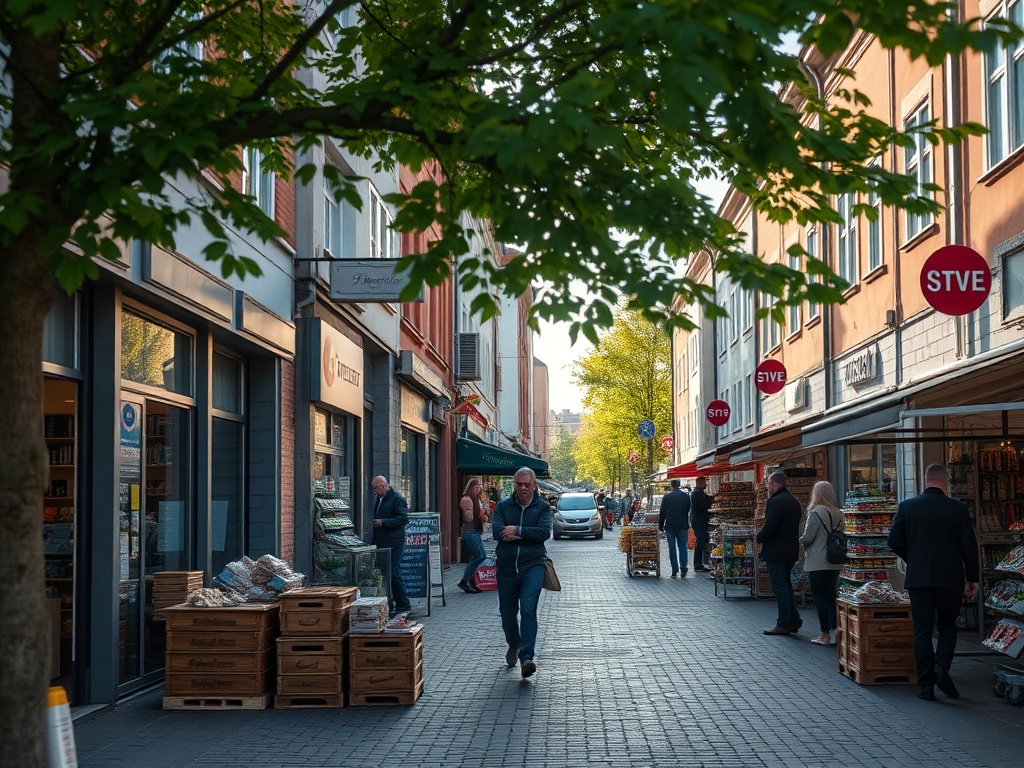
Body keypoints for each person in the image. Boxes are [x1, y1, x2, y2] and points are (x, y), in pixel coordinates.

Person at [888, 464, 979, 701]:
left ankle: (926, 685)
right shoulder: (958, 509)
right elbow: (969, 547)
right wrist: (973, 578)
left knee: (922, 630)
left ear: (925, 480)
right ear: (945, 482)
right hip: (950, 578)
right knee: (948, 625)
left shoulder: (907, 507)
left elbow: (894, 540)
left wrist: (913, 557)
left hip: (919, 577)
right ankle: (941, 668)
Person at [491, 467, 553, 679]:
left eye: (527, 484)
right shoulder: (502, 507)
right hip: (507, 568)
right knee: (507, 614)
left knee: (528, 610)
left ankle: (526, 657)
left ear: (534, 485)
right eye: (520, 484)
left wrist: (516, 531)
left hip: (532, 566)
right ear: (514, 485)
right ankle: (514, 644)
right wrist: (527, 534)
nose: (524, 488)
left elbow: (544, 533)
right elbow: (497, 532)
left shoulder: (543, 508)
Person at [756, 470, 803, 635]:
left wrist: (759, 537)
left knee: (780, 588)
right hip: (790, 550)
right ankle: (794, 619)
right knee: (786, 585)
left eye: (769, 483)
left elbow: (771, 527)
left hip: (776, 551)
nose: (768, 486)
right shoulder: (793, 501)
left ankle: (783, 623)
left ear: (776, 483)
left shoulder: (776, 502)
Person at [799, 481, 844, 646]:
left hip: (818, 560)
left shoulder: (816, 512)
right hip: (834, 560)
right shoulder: (838, 512)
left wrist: (798, 540)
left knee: (819, 597)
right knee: (831, 595)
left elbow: (808, 537)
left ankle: (824, 634)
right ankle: (836, 631)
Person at [370, 475, 411, 615]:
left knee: (394, 572)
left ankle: (403, 603)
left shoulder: (397, 498)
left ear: (383, 485)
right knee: (386, 572)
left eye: (376, 488)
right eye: (373, 488)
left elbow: (404, 518)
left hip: (394, 541)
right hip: (383, 541)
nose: (374, 491)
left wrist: (384, 522)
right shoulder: (380, 499)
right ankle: (392, 602)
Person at [457, 476, 488, 594]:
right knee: (479, 556)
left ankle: (469, 580)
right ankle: (464, 581)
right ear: (471, 487)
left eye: (479, 488)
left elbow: (477, 517)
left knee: (481, 555)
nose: (478, 490)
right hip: (469, 532)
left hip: (475, 531)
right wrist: (482, 512)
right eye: (476, 488)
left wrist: (482, 516)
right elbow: (468, 518)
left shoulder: (475, 499)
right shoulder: (467, 500)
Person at [658, 479, 691, 578]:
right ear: (679, 485)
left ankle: (674, 570)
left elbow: (662, 512)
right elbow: (688, 509)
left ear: (671, 486)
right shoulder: (686, 496)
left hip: (670, 526)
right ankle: (684, 568)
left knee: (672, 548)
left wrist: (661, 527)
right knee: (683, 548)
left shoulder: (667, 497)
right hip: (683, 526)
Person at [690, 476, 714, 572]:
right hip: (699, 520)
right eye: (705, 482)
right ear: (701, 483)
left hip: (697, 520)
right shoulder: (698, 493)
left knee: (702, 540)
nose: (706, 484)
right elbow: (702, 505)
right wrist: (710, 501)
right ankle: (698, 563)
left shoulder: (697, 493)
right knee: (701, 540)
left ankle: (699, 562)